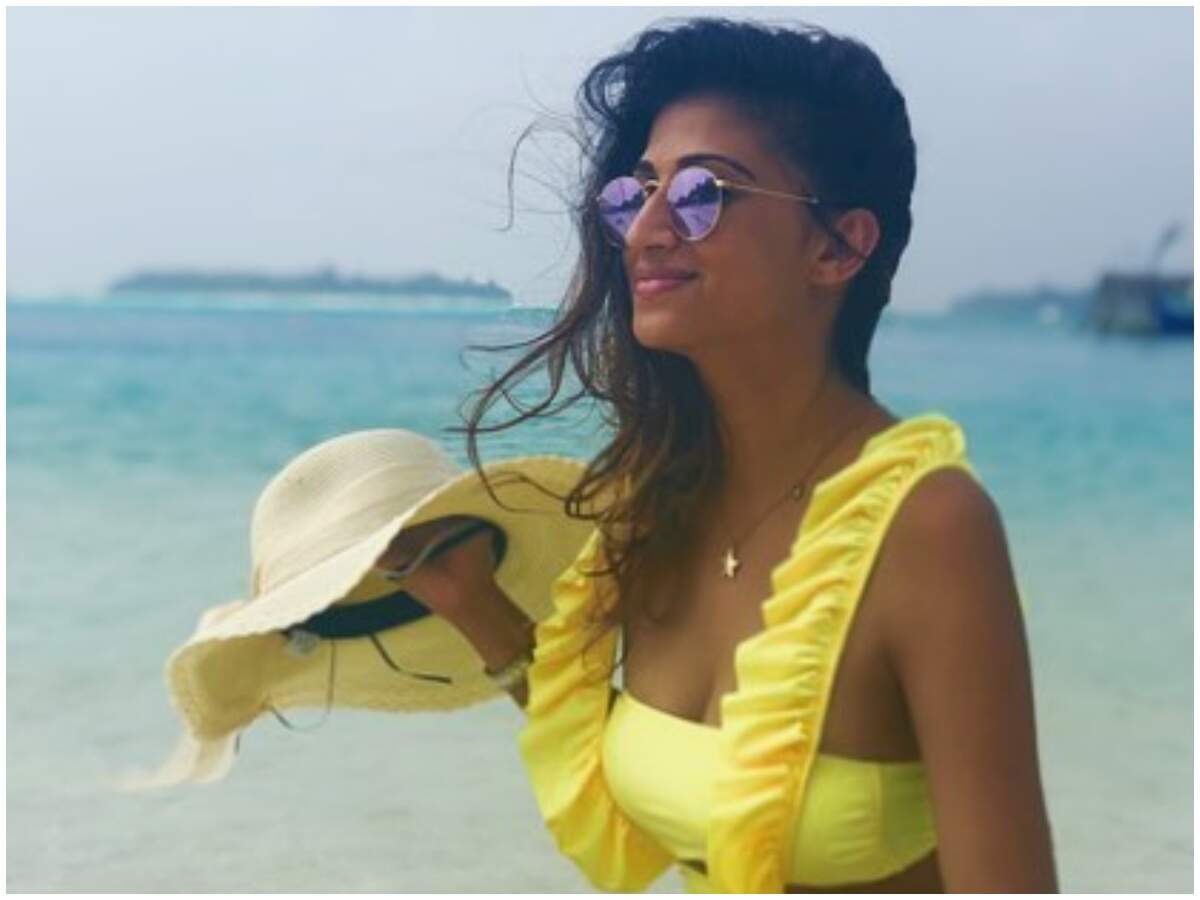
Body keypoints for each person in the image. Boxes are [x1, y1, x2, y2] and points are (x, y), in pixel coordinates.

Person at [395, 16, 1058, 893]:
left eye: (702, 192)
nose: (646, 230)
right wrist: (476, 606)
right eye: (637, 194)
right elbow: (700, 786)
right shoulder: (660, 496)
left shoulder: (929, 527)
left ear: (838, 247)